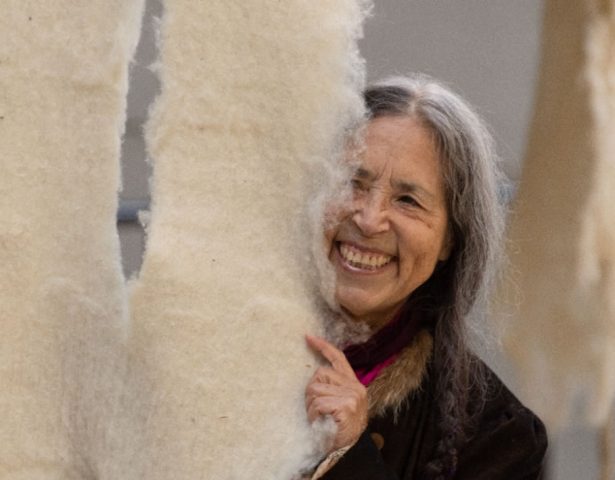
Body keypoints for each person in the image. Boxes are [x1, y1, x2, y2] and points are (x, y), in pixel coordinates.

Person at [304, 74, 548, 479]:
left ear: (450, 239)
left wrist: (348, 455)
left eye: (407, 200)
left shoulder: (497, 436)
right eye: (352, 183)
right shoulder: (215, 341)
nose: (368, 219)